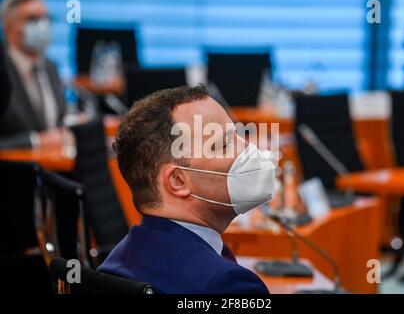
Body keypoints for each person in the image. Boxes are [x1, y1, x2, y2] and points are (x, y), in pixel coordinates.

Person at [98, 85, 275, 294]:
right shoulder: (228, 285)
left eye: (238, 133)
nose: (246, 147)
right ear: (178, 181)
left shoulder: (117, 261)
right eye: (225, 144)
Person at [0, 0, 66, 148]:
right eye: (32, 19)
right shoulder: (3, 69)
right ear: (7, 26)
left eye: (46, 18)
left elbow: (57, 123)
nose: (42, 25)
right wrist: (36, 141)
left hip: (54, 167)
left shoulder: (51, 67)